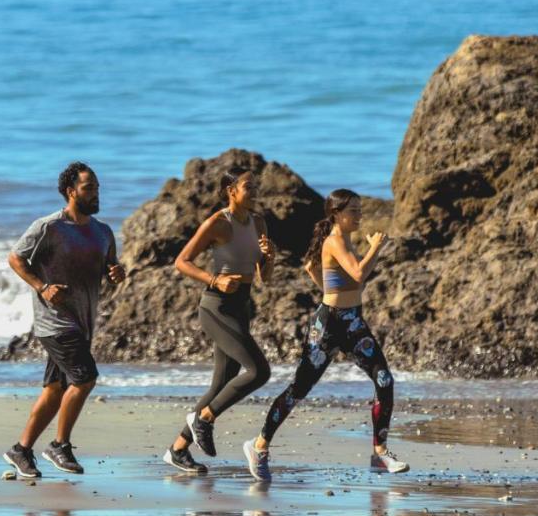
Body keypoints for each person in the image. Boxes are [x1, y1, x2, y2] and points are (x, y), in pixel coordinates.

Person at [243, 189, 408, 482]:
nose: (359, 215)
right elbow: (358, 274)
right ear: (337, 214)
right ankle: (259, 446)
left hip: (353, 322)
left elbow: (311, 267)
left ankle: (379, 452)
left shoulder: (340, 239)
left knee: (384, 380)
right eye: (354, 211)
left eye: (360, 210)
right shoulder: (334, 240)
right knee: (299, 389)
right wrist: (376, 248)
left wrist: (331, 288)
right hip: (328, 326)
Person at [2, 162, 125, 478]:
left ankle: (21, 449)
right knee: (84, 378)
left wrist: (116, 273)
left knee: (55, 388)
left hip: (83, 321)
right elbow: (16, 258)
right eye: (88, 187)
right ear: (71, 192)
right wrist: (42, 287)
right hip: (54, 322)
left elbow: (110, 269)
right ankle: (59, 444)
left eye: (97, 187)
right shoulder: (49, 227)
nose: (95, 192)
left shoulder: (102, 232)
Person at [162, 168, 276, 474]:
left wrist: (269, 257)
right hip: (216, 307)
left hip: (241, 306)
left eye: (257, 187)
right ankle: (204, 419)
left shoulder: (259, 221)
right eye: (249, 187)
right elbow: (181, 261)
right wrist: (215, 279)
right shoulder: (217, 223)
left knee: (223, 382)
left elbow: (265, 276)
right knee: (259, 370)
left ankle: (177, 450)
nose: (255, 192)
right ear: (231, 191)